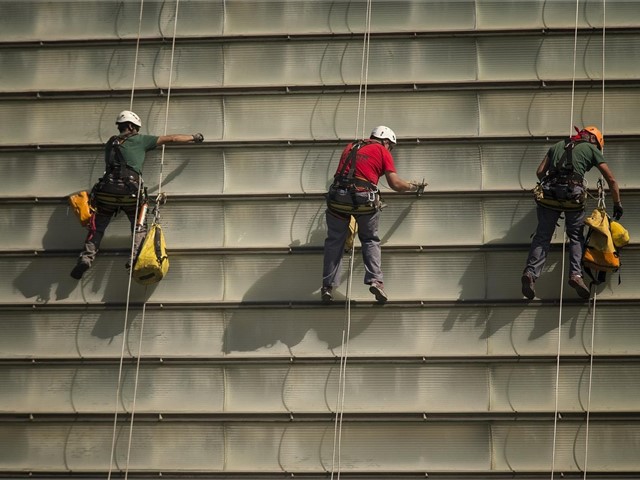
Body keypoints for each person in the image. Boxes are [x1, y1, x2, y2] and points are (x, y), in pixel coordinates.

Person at [70, 110, 204, 279]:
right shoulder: (140, 140)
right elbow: (171, 138)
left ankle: (86, 258)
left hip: (106, 192)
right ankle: (134, 260)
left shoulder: (110, 142)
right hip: (129, 193)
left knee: (97, 227)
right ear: (132, 126)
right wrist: (194, 137)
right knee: (139, 226)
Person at [321, 126, 424, 303]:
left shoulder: (350, 146)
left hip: (338, 198)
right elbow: (395, 184)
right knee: (369, 239)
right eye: (390, 146)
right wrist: (413, 186)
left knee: (334, 241)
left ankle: (327, 286)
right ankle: (376, 281)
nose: (389, 149)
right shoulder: (382, 150)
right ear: (385, 141)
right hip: (363, 200)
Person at [521, 125, 622, 300]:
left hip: (549, 195)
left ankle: (530, 273)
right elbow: (611, 179)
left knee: (542, 237)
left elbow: (539, 172)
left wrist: (555, 186)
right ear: (593, 140)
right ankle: (575, 275)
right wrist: (617, 203)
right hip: (572, 197)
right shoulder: (591, 149)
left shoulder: (557, 145)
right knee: (576, 236)